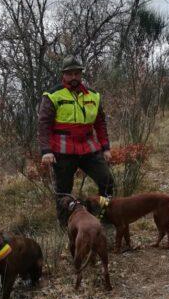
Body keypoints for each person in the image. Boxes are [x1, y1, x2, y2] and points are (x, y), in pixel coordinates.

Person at [38, 55, 114, 217]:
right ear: (63, 75)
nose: (73, 77)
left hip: (88, 146)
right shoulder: (52, 95)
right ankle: (66, 225)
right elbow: (44, 125)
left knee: (107, 180)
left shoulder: (94, 95)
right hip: (62, 149)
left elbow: (100, 123)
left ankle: (104, 215)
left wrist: (106, 148)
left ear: (81, 74)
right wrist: (46, 151)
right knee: (63, 191)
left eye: (77, 73)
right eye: (70, 73)